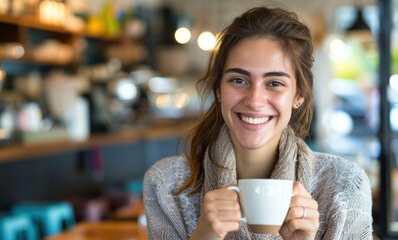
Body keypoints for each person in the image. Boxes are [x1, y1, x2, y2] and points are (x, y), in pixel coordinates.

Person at [143, 6, 373, 240]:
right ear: (219, 90)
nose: (254, 100)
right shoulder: (167, 185)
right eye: (239, 80)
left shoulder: (342, 185)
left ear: (298, 96)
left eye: (274, 83)